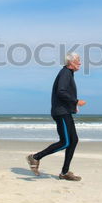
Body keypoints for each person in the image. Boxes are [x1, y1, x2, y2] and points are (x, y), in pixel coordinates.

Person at [26, 52, 86, 181]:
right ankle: (35, 157)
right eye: (78, 61)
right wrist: (75, 101)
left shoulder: (69, 74)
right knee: (65, 142)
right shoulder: (65, 73)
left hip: (65, 111)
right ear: (71, 62)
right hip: (61, 112)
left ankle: (64, 172)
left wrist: (72, 105)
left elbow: (63, 93)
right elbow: (61, 92)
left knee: (73, 140)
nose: (80, 63)